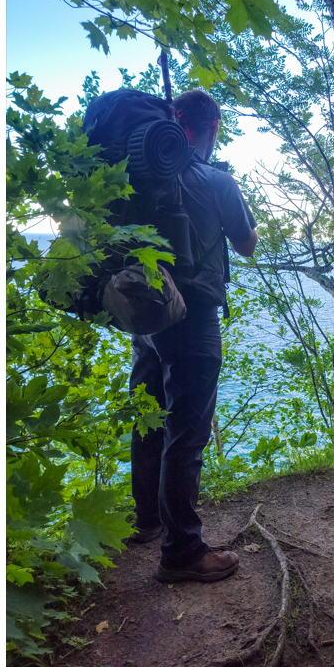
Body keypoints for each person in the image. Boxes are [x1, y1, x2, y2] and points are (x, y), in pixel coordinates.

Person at [128, 89, 258, 584]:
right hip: (194, 315)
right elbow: (245, 245)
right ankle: (182, 552)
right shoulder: (216, 181)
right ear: (213, 127)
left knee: (149, 416)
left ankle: (148, 521)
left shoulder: (141, 175)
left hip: (147, 316)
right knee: (187, 432)